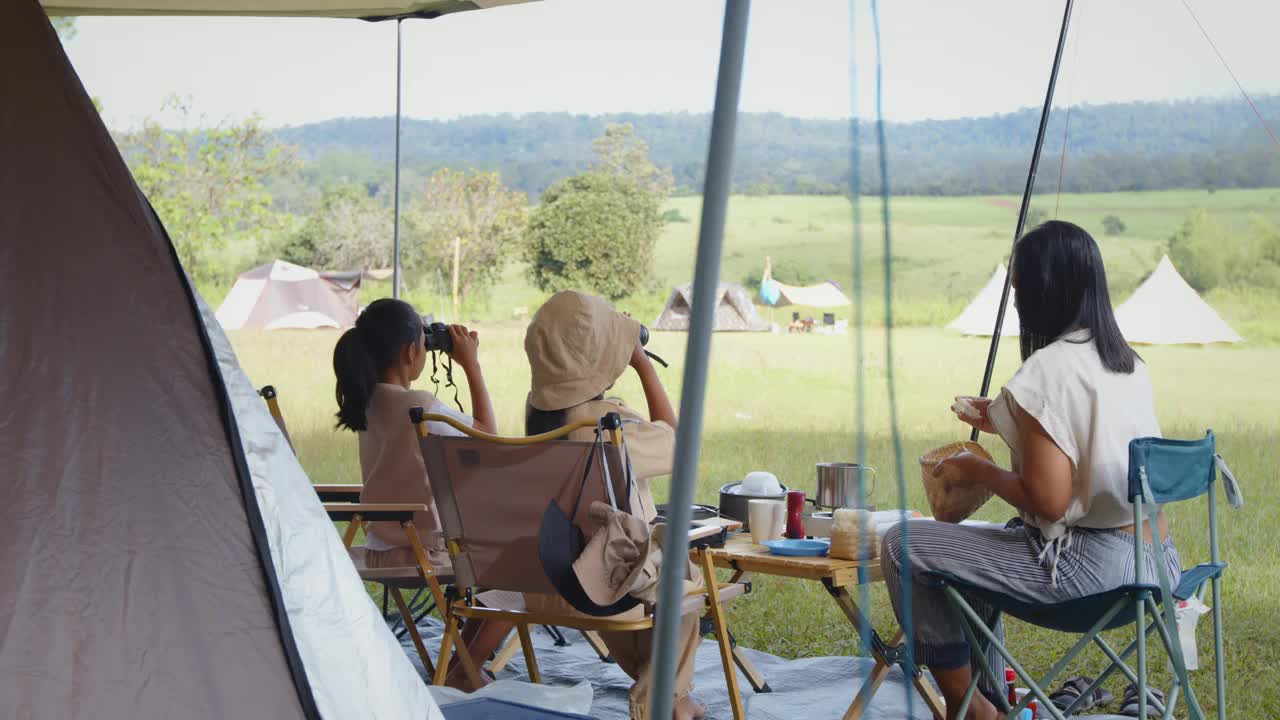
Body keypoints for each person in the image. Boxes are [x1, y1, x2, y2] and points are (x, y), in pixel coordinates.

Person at [879, 221, 1182, 720]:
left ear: (1045, 291)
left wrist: (978, 471)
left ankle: (971, 708)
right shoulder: (1126, 361)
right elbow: (1087, 446)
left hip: (1090, 575)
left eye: (1019, 290)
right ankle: (991, 699)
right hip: (1156, 566)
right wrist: (1007, 419)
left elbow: (1049, 501)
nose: (1016, 303)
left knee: (904, 545)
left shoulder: (1048, 370)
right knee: (969, 557)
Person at [522, 290, 706, 720]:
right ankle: (664, 701)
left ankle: (672, 699)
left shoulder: (539, 420)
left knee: (634, 567)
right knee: (680, 576)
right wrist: (642, 363)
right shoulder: (610, 423)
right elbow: (680, 445)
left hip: (539, 587)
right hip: (602, 591)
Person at [332, 298, 510, 691]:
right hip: (424, 555)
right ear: (412, 350)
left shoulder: (369, 402)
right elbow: (489, 440)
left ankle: (459, 664)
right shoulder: (420, 405)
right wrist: (472, 366)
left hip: (381, 550)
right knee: (521, 565)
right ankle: (465, 668)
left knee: (492, 564)